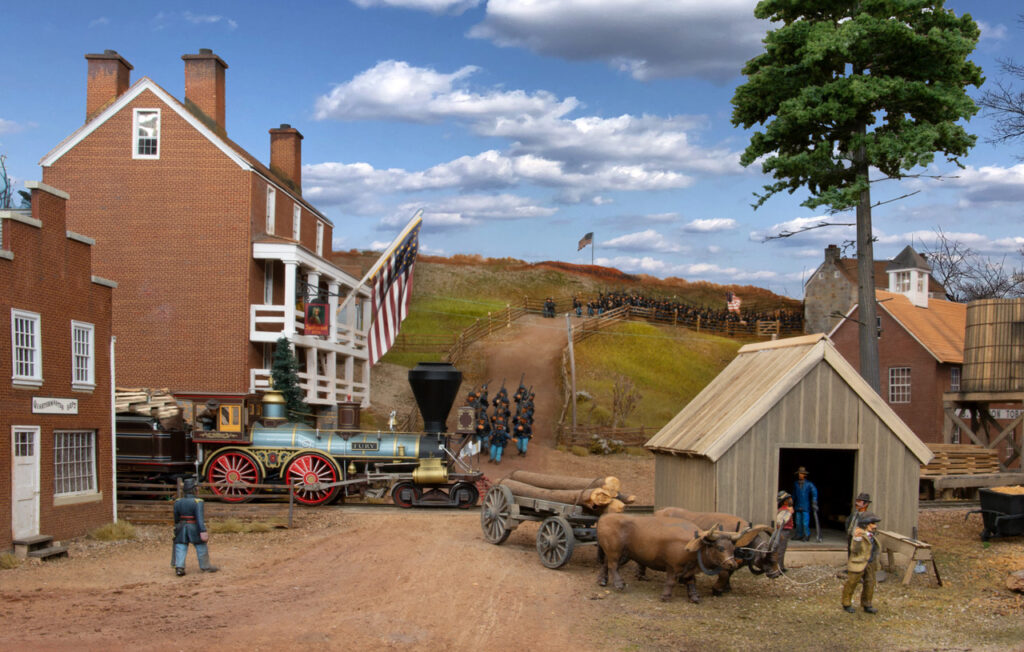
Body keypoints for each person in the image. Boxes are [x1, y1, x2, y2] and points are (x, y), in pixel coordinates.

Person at [172, 477, 218, 576]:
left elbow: (176, 517)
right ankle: (205, 566)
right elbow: (199, 518)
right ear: (194, 490)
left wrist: (177, 527)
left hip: (181, 526)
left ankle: (179, 567)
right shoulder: (198, 502)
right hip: (194, 526)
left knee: (181, 546)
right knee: (201, 546)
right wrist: (203, 530)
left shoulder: (178, 502)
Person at [842, 512, 881, 614]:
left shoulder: (872, 535)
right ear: (865, 524)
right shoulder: (859, 535)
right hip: (858, 563)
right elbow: (854, 549)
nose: (874, 526)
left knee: (870, 583)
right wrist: (857, 538)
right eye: (872, 523)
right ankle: (846, 603)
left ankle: (867, 603)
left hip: (870, 562)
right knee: (852, 583)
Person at [791, 466, 818, 542]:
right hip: (798, 505)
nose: (800, 475)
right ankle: (799, 534)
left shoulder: (809, 484)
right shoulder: (796, 484)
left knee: (805, 523)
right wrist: (791, 502)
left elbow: (814, 493)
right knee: (798, 522)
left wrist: (814, 502)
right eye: (799, 474)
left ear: (804, 475)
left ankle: (807, 535)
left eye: (801, 474)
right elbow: (794, 494)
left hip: (805, 506)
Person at [772, 490, 794, 576]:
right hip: (783, 531)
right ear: (785, 501)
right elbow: (781, 522)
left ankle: (781, 566)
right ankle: (778, 569)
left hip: (785, 531)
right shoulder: (784, 510)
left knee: (782, 549)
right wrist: (790, 512)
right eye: (789, 498)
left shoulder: (786, 509)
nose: (791, 500)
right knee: (780, 550)